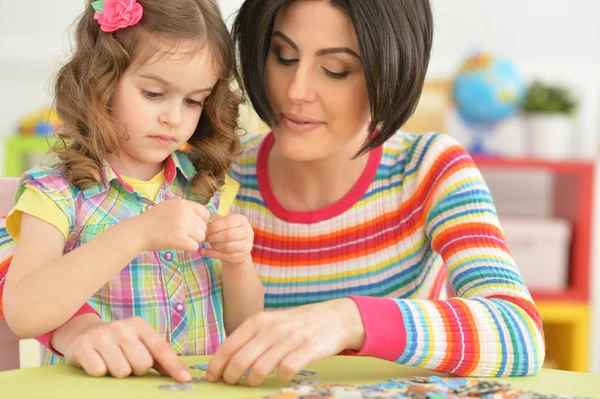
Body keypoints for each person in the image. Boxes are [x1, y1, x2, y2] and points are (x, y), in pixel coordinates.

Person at [4, 0, 545, 385]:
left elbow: (521, 335)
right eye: (283, 57)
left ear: (390, 73)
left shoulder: (430, 170)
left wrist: (349, 319)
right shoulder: (211, 175)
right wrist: (74, 327)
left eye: (335, 70)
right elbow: (21, 253)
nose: (295, 92)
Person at [1, 0, 263, 383]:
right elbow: (23, 313)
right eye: (154, 93)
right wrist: (138, 234)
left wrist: (240, 264)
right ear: (100, 82)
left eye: (193, 101)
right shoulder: (55, 194)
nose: (174, 118)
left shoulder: (204, 188)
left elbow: (244, 326)